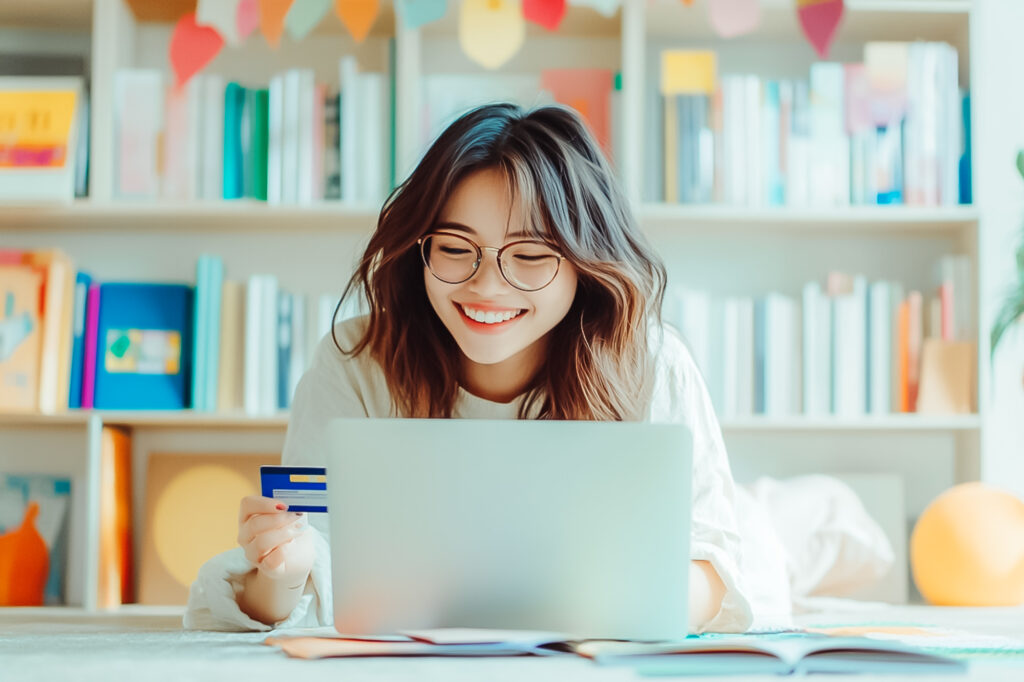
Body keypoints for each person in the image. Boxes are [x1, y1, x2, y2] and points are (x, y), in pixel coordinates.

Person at [184, 102, 754, 634]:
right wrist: (281, 572)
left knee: (799, 531)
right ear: (419, 248)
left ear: (586, 262)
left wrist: (581, 617)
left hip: (726, 550)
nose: (486, 286)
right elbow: (299, 592)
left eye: (530, 255)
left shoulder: (651, 361)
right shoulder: (354, 362)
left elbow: (714, 569)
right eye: (456, 248)